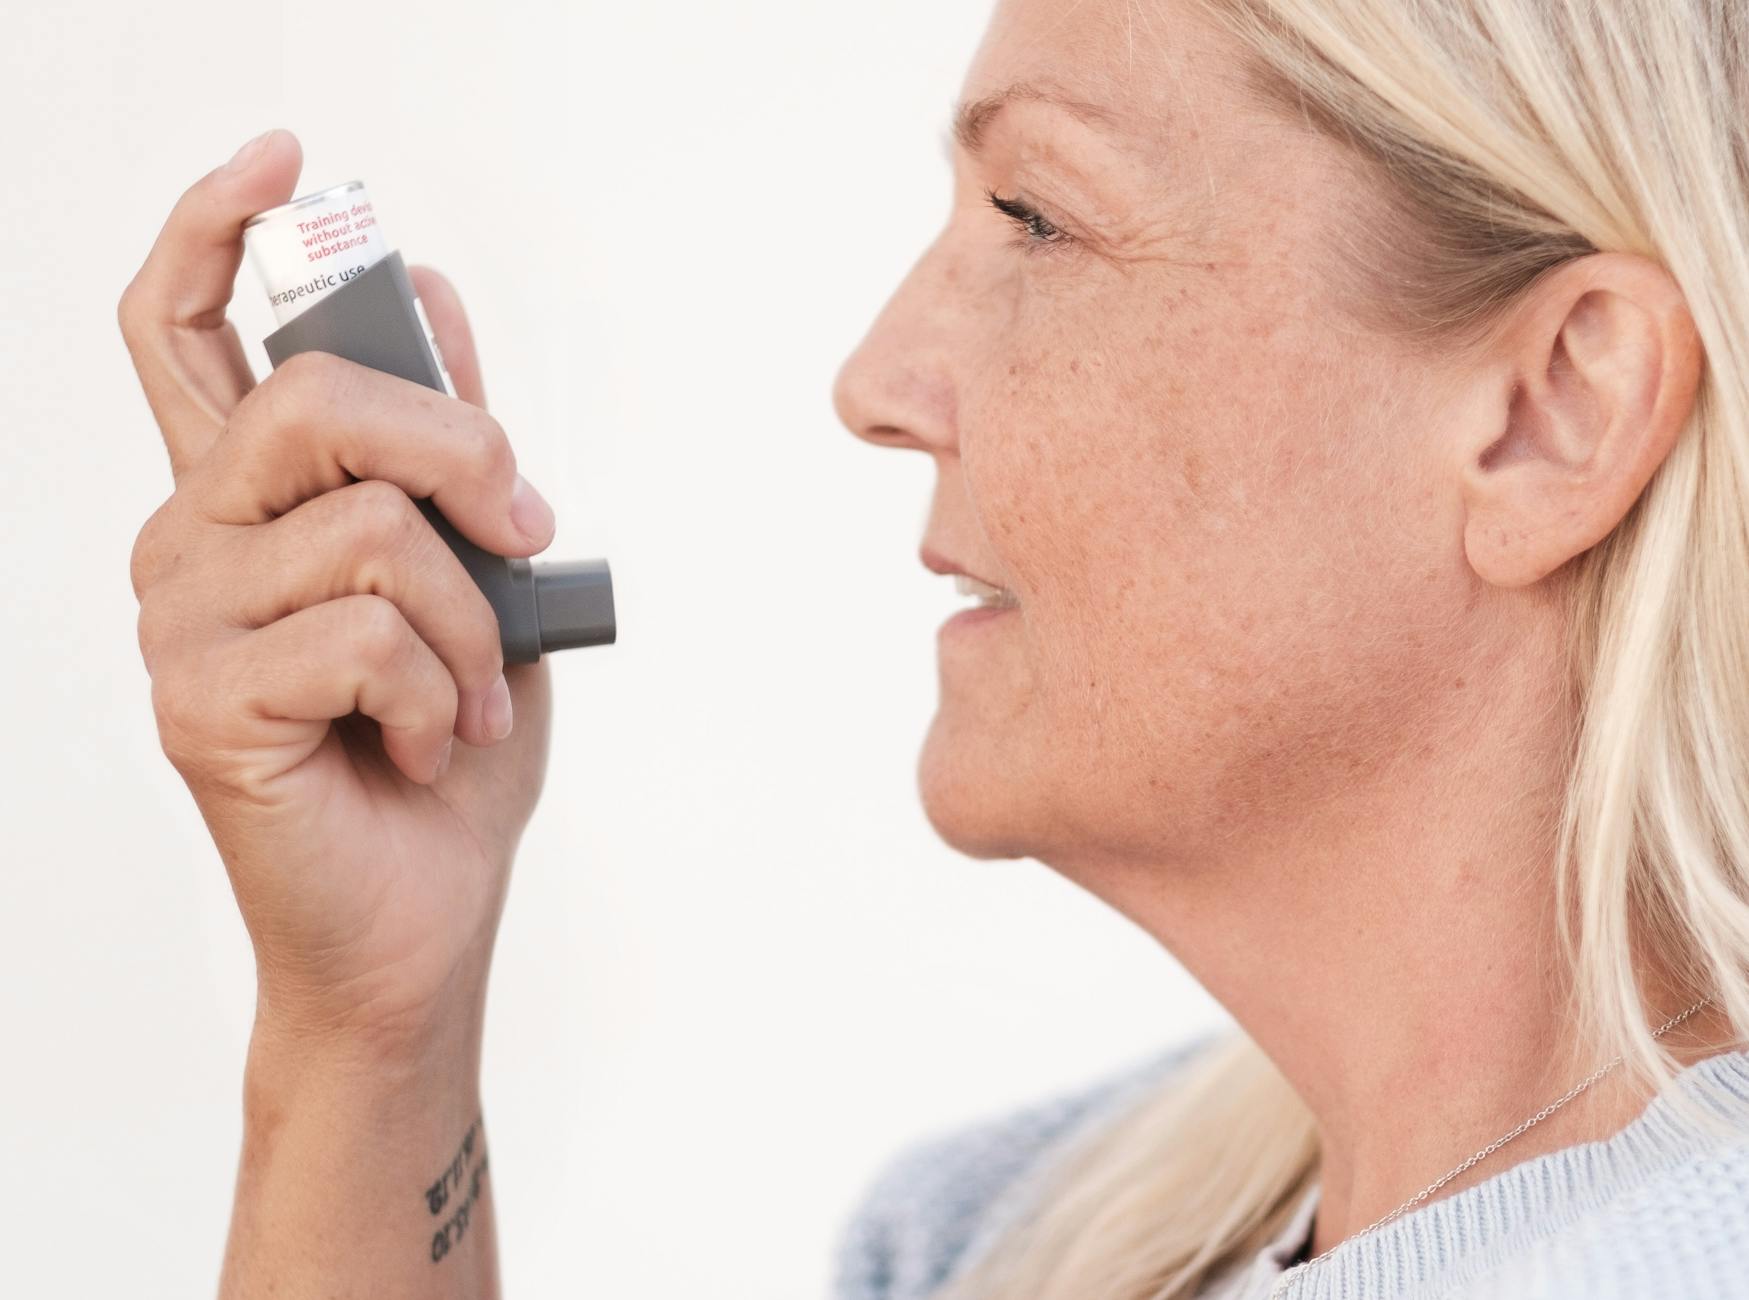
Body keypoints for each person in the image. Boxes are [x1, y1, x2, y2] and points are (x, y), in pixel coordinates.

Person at [118, 0, 1749, 1296]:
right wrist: (373, 1031)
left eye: (1035, 215)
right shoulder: (997, 1241)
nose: (876, 376)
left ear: (1554, 412)